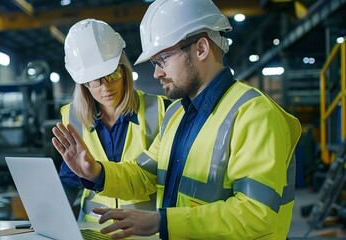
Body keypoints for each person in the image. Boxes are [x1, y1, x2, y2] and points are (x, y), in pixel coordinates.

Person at [52, 0, 302, 239]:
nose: (156, 72)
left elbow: (256, 214)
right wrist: (97, 173)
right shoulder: (176, 115)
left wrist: (163, 222)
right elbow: (144, 175)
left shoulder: (253, 114)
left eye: (163, 59)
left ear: (201, 48)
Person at [58, 18, 169, 222]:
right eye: (95, 80)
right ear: (83, 83)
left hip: (144, 231)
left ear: (124, 70)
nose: (106, 87)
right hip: (93, 230)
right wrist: (53, 218)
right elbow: (69, 180)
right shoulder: (73, 118)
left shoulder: (161, 110)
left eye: (112, 74)